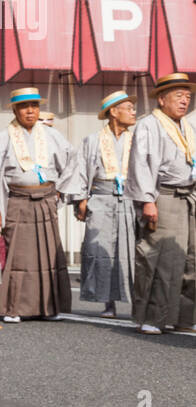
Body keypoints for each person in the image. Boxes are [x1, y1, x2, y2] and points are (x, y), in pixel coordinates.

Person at [0, 88, 80, 323]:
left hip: (46, 198)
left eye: (34, 106)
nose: (30, 111)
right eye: (24, 107)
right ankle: (14, 307)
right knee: (18, 256)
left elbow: (72, 159)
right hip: (18, 200)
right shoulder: (4, 137)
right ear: (14, 110)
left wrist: (60, 190)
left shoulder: (51, 135)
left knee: (48, 254)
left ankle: (48, 308)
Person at [126, 72, 196, 335]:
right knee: (161, 259)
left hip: (190, 195)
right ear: (162, 99)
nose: (184, 101)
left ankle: (184, 317)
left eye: (188, 97)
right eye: (178, 96)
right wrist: (147, 200)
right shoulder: (149, 125)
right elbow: (141, 164)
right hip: (163, 196)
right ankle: (153, 318)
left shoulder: (188, 126)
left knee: (191, 259)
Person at [72, 90, 137, 319]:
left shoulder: (137, 138)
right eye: (128, 108)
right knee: (100, 249)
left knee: (130, 251)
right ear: (113, 112)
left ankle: (136, 303)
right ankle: (107, 303)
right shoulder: (93, 140)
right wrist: (81, 199)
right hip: (101, 197)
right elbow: (80, 171)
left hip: (130, 198)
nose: (133, 112)